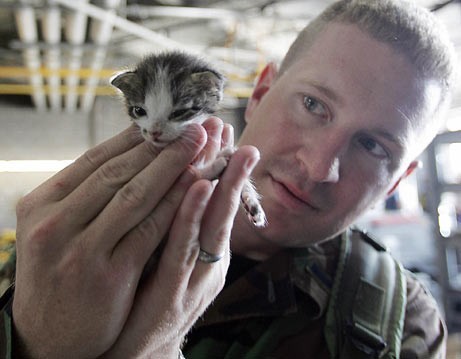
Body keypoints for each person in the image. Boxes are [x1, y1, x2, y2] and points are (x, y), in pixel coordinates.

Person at [0, 0, 458, 357]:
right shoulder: (76, 238)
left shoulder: (398, 326)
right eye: (314, 105)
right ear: (258, 94)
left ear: (398, 182)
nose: (319, 167)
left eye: (375, 146)